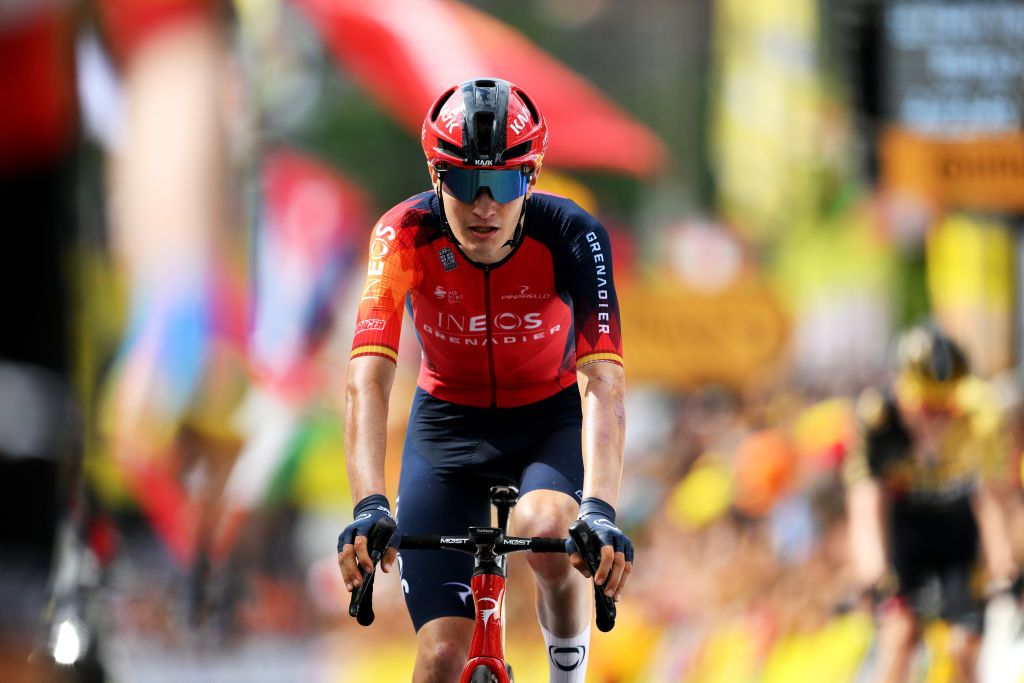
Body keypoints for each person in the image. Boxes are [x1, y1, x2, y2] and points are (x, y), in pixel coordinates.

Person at [336, 77, 634, 682]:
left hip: (547, 418)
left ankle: (566, 672)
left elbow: (602, 379)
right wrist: (368, 501)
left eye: (503, 183)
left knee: (550, 531)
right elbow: (367, 379)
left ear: (532, 179)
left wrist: (599, 508)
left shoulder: (574, 235)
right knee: (442, 658)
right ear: (436, 177)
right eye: (465, 183)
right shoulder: (403, 235)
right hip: (448, 425)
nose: (484, 207)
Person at [843, 324, 1017, 683]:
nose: (935, 419)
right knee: (900, 635)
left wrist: (1003, 560)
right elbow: (866, 501)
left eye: (945, 409)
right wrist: (873, 569)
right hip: (904, 533)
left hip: (955, 532)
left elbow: (991, 496)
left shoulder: (979, 415)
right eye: (926, 407)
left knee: (964, 645)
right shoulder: (880, 420)